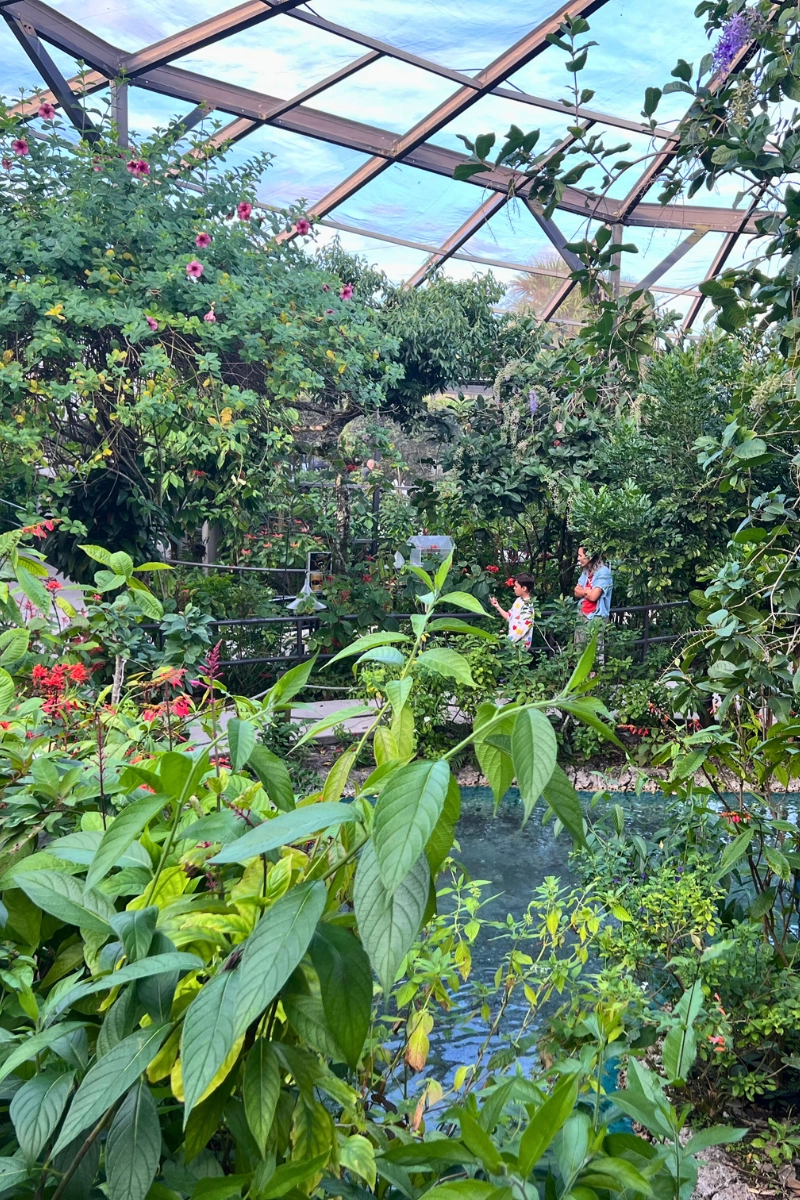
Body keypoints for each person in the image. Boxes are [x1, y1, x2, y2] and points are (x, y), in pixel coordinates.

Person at [573, 546, 613, 663]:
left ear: (589, 557)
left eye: (580, 555)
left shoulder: (603, 571)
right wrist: (587, 592)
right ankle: (581, 680)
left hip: (596, 616)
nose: (578, 558)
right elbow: (576, 591)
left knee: (595, 651)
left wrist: (583, 592)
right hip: (582, 613)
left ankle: (596, 680)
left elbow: (594, 596)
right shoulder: (586, 571)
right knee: (579, 649)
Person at [490, 573, 536, 649]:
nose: (514, 588)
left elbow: (522, 629)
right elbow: (509, 616)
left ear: (524, 588)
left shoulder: (528, 607)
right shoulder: (518, 601)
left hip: (519, 647)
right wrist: (497, 606)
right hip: (512, 644)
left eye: (516, 586)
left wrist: (507, 640)